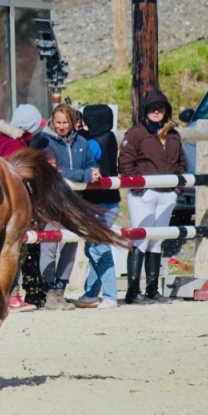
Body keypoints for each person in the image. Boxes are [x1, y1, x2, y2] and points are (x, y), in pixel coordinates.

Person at [119, 89, 187, 305]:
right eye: (152, 108)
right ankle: (132, 292)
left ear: (166, 110)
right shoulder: (136, 133)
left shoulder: (174, 134)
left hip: (167, 195)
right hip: (144, 195)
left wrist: (176, 190)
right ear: (145, 111)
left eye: (160, 107)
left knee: (157, 242)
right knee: (141, 240)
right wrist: (142, 190)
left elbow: (182, 164)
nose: (156, 111)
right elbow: (125, 164)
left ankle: (152, 290)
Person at [32, 103, 100, 310]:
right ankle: (49, 289)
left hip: (74, 203)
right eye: (57, 122)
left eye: (65, 123)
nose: (60, 126)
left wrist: (94, 170)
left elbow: (89, 162)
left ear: (73, 122)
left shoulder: (81, 141)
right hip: (51, 202)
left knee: (71, 245)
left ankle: (60, 289)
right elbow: (56, 171)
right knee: (49, 247)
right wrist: (85, 175)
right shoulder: (43, 141)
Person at [0, 103, 46, 312]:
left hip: (6, 205)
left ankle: (9, 294)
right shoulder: (17, 148)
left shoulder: (6, 142)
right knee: (17, 251)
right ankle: (11, 295)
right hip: (15, 207)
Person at [74, 104, 121, 310]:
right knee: (92, 247)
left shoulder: (94, 142)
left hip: (100, 203)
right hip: (108, 201)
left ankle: (110, 294)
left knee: (99, 247)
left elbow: (82, 158)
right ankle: (91, 293)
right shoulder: (108, 137)